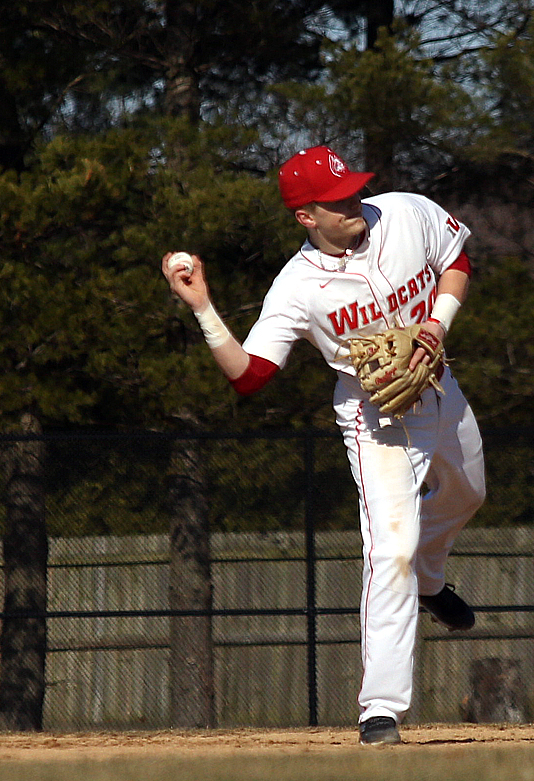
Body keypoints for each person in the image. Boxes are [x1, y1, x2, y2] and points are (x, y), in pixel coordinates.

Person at [161, 145, 486, 745]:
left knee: (468, 494)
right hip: (377, 416)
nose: (352, 203)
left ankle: (431, 583)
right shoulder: (298, 287)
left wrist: (436, 326)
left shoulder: (403, 213)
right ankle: (380, 711)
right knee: (390, 548)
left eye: (352, 189)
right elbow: (250, 375)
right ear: (306, 217)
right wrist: (203, 306)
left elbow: (457, 256)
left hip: (440, 384)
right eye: (336, 201)